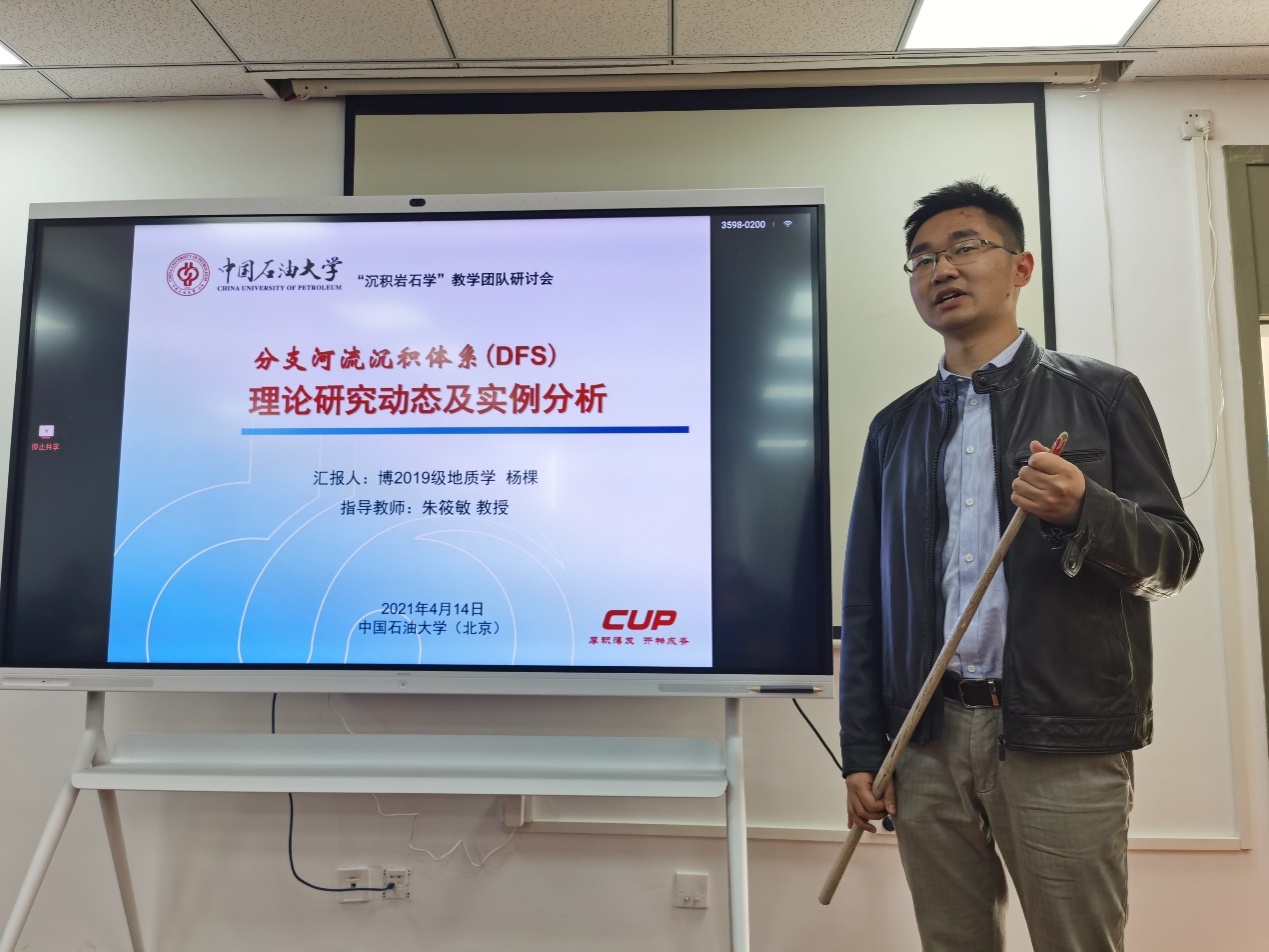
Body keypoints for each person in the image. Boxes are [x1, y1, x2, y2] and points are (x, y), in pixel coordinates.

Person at [838, 181, 1202, 952]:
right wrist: (862, 751)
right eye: (921, 259)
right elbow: (866, 601)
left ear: (1020, 267)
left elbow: (1172, 558)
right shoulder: (893, 428)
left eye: (964, 247)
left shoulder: (1102, 396)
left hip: (1059, 737)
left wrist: (1085, 508)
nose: (941, 269)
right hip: (925, 743)